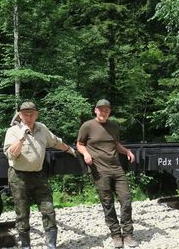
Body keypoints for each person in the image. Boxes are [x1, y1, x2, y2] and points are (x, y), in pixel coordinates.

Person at [3, 101, 76, 249]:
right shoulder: (12, 131)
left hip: (38, 175)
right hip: (19, 176)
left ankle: (51, 245)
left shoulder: (42, 128)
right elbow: (11, 155)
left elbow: (55, 142)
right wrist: (22, 138)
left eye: (31, 114)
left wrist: (69, 149)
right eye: (25, 114)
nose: (29, 117)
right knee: (22, 212)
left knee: (48, 209)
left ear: (36, 114)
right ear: (20, 115)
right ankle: (25, 246)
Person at [76, 99, 139, 248]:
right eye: (101, 109)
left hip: (116, 168)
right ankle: (116, 235)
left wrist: (127, 151)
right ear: (95, 110)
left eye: (106, 110)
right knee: (108, 202)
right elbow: (79, 143)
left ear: (109, 111)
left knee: (126, 199)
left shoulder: (113, 126)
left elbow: (115, 144)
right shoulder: (87, 126)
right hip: (99, 170)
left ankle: (128, 234)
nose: (103, 112)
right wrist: (85, 154)